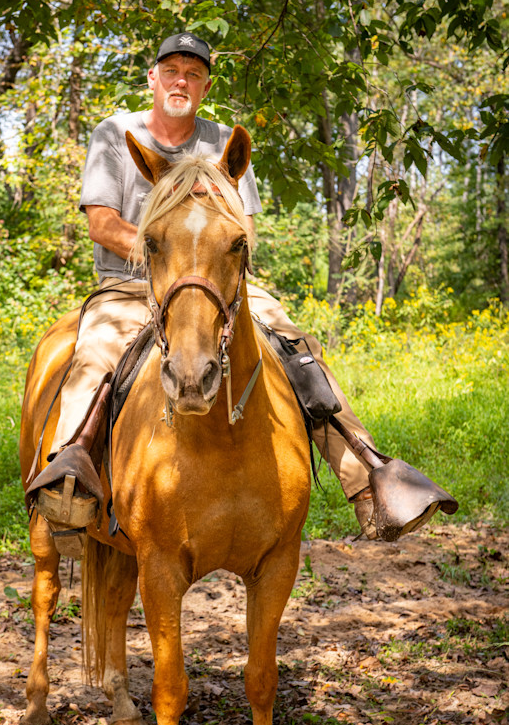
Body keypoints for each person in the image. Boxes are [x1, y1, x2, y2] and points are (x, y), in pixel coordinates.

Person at [27, 32, 456, 540]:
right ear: (152, 78)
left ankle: (368, 478)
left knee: (299, 348)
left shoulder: (223, 143)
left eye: (192, 74)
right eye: (171, 71)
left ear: (205, 86)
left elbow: (245, 228)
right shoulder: (115, 134)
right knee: (95, 351)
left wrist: (204, 264)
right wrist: (164, 257)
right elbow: (101, 223)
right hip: (132, 281)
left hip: (218, 282)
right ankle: (69, 480)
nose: (180, 81)